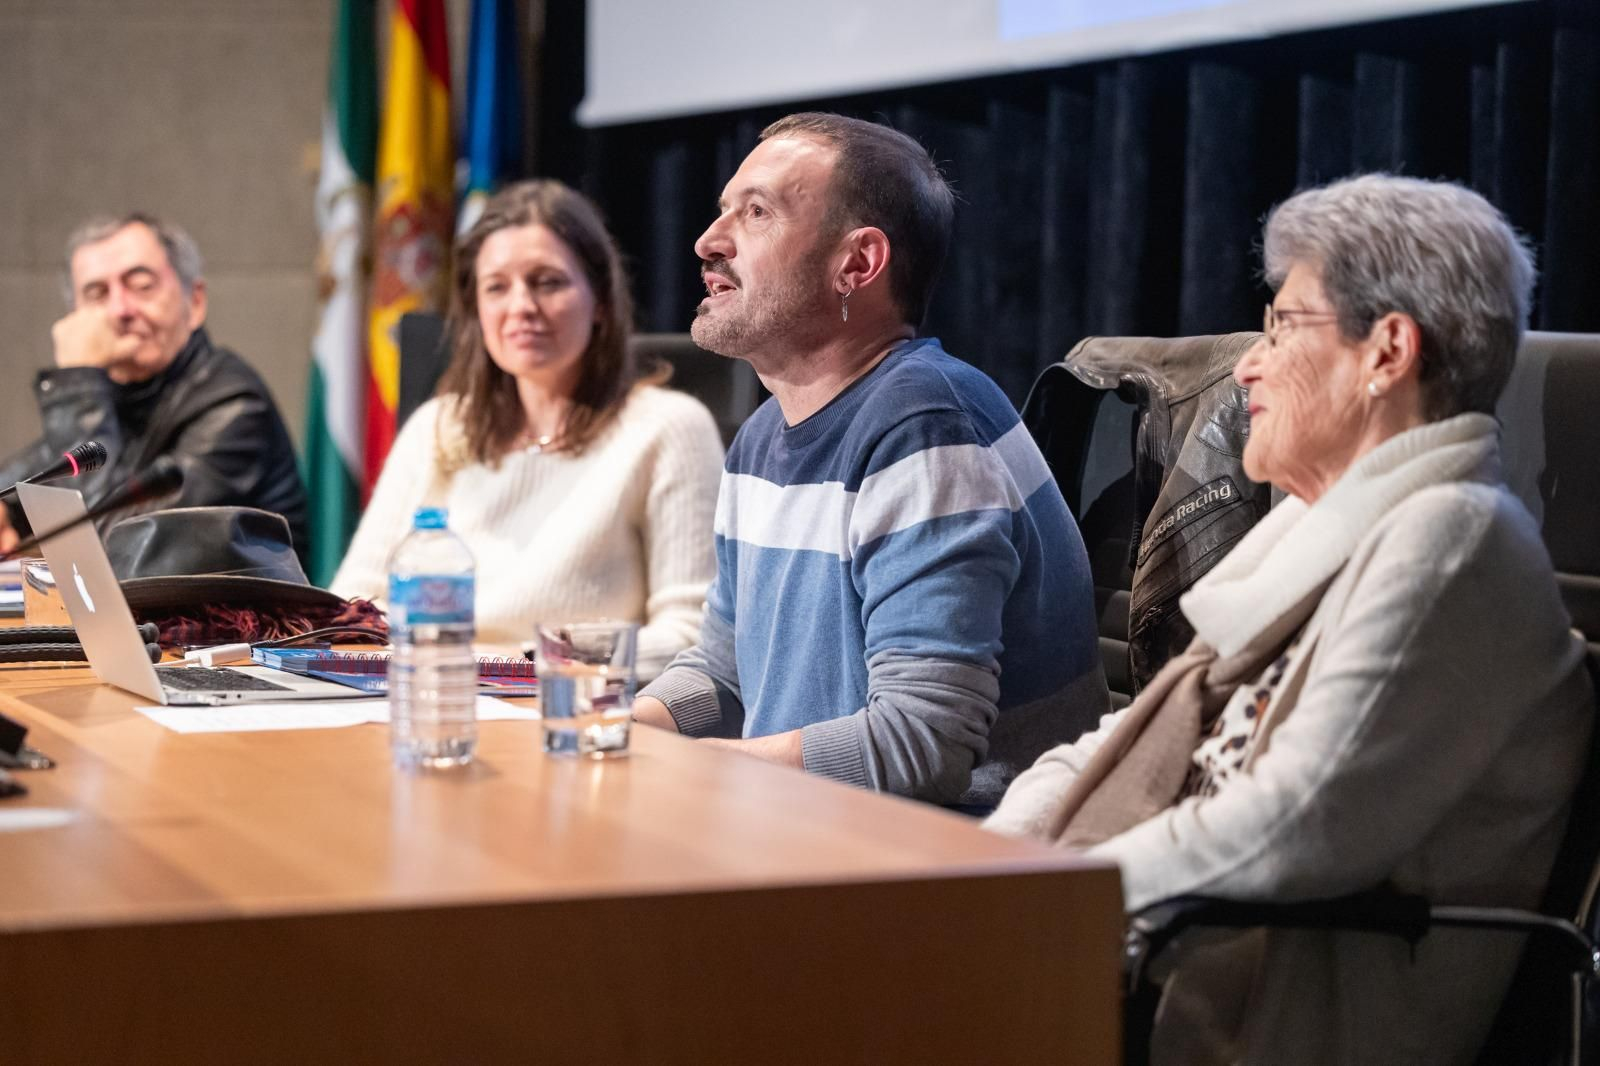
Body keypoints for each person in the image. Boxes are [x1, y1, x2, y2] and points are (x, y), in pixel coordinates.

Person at [985, 174, 1594, 1064]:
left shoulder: (1452, 538)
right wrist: (995, 854)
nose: (1246, 365)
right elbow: (1142, 731)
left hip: (1266, 1017)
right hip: (1156, 963)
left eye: (1282, 327)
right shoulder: (1318, 525)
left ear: (1386, 353)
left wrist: (1041, 894)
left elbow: (1289, 828)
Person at [631, 113, 1107, 810]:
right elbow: (725, 670)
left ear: (857, 264)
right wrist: (609, 728)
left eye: (756, 213)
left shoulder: (924, 428)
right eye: (721, 210)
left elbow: (923, 743)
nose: (708, 241)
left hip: (948, 863)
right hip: (808, 830)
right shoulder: (763, 437)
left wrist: (697, 771)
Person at [331, 180, 723, 677]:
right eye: (497, 287)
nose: (521, 307)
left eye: (547, 282)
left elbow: (691, 636)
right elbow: (352, 605)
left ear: (600, 300)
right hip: (426, 700)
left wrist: (519, 665)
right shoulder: (436, 426)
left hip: (572, 712)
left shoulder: (668, 429)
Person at [0, 214, 307, 555]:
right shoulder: (116, 398)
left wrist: (78, 379)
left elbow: (106, 553)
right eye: (97, 294)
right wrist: (9, 510)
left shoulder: (235, 405)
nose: (119, 309)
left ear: (195, 302)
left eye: (142, 285)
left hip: (245, 610)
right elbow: (43, 470)